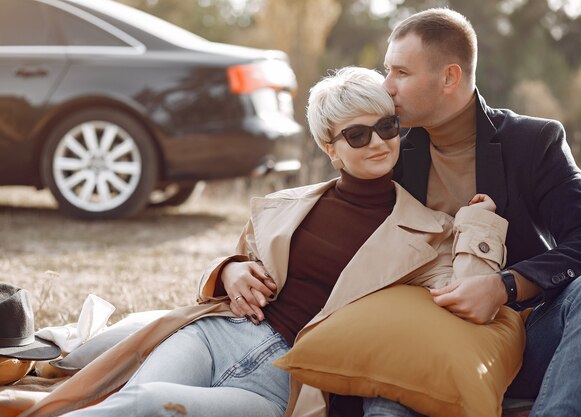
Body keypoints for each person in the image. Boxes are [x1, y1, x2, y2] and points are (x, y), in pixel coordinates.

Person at [21, 67, 514, 417]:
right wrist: (231, 269)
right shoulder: (285, 204)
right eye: (357, 135)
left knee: (152, 406)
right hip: (217, 336)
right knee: (136, 400)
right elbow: (238, 264)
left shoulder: (431, 231)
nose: (379, 142)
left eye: (387, 127)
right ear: (331, 148)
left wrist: (478, 227)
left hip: (284, 382)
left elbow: (470, 302)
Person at [382, 7, 581, 417]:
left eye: (401, 73)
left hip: (524, 341)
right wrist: (233, 268)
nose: (386, 86)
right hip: (427, 352)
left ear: (449, 77)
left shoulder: (533, 141)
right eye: (387, 71)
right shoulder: (389, 155)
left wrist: (505, 286)